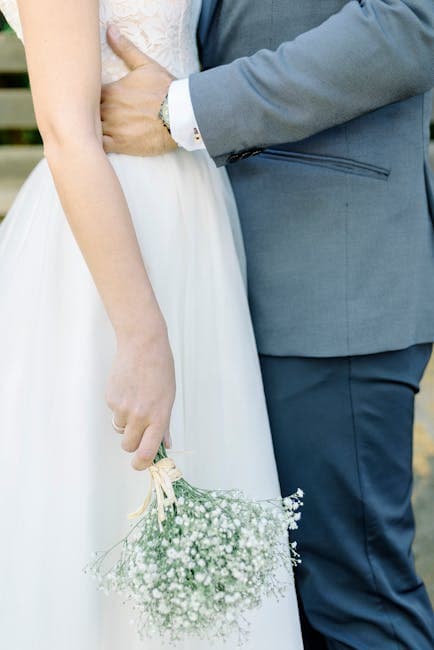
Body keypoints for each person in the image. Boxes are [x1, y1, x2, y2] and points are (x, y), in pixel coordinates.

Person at [100, 1, 434, 648]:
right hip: (190, 281)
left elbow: (411, 20)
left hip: (323, 273)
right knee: (252, 616)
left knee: (352, 604)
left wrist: (188, 110)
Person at [0, 1, 303, 649]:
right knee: (103, 509)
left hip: (192, 216)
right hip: (116, 244)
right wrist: (141, 337)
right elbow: (67, 132)